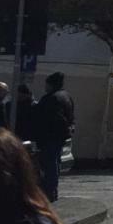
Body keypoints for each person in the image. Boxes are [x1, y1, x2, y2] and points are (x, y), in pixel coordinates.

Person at [34, 73, 74, 203]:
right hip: (60, 136)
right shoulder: (66, 97)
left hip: (50, 136)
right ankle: (53, 191)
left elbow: (49, 119)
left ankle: (49, 191)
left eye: (47, 84)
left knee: (49, 164)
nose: (45, 86)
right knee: (55, 163)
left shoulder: (51, 98)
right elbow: (70, 116)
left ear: (51, 84)